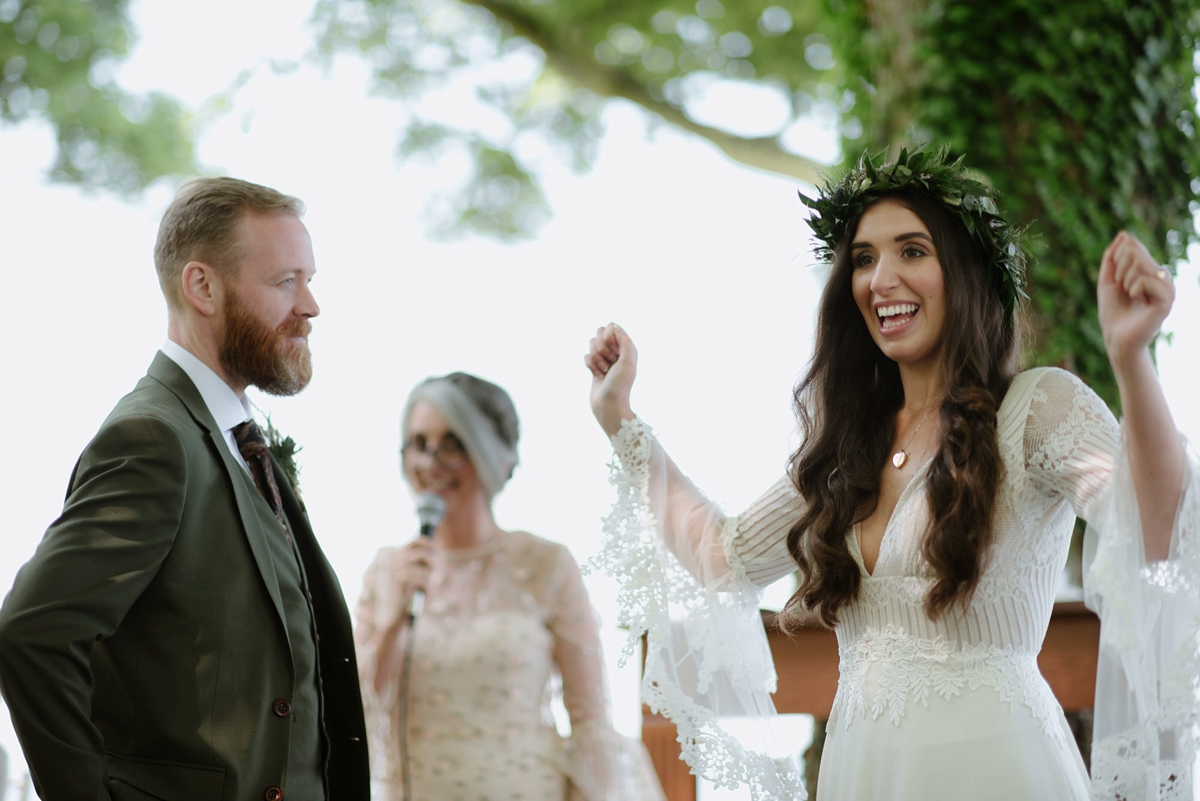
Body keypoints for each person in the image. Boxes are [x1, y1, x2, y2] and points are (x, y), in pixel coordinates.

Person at [584, 146, 1199, 800]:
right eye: (864, 258)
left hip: (998, 769)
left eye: (912, 250)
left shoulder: (1038, 406)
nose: (881, 278)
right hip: (864, 771)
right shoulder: (844, 450)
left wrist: (1131, 358)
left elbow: (1159, 521)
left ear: (964, 274)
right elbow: (721, 555)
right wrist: (621, 421)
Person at [0, 178, 369, 800]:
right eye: (286, 281)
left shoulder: (237, 439)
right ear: (202, 286)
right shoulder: (153, 437)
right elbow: (31, 633)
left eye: (309, 280)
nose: (310, 305)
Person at [355, 372, 665, 801]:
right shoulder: (387, 571)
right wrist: (392, 621)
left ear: (492, 455)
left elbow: (590, 722)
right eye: (418, 444)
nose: (431, 462)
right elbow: (350, 713)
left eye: (452, 443)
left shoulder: (546, 564)